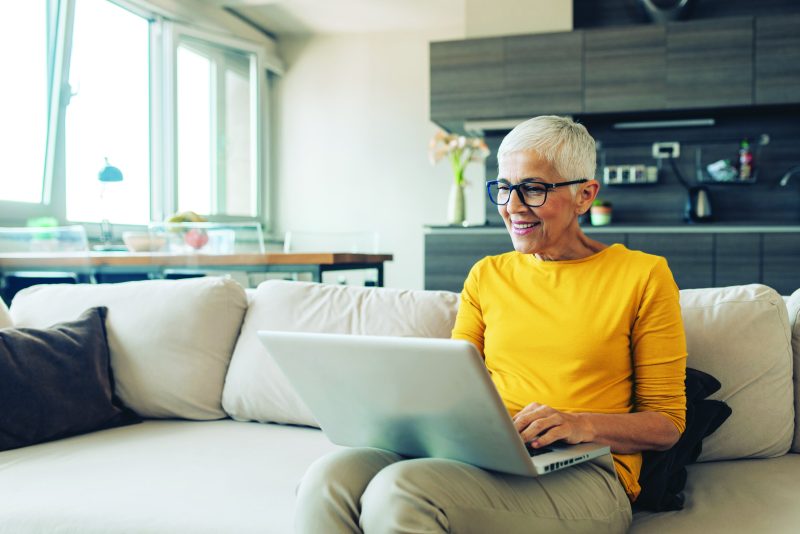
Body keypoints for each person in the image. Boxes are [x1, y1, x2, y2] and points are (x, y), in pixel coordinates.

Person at [294, 115, 687, 533]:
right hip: (482, 453)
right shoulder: (487, 275)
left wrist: (577, 422)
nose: (512, 206)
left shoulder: (642, 276)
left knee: (402, 490)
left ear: (584, 195)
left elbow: (667, 424)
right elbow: (453, 382)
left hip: (586, 472)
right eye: (503, 188)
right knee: (327, 479)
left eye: (533, 189)